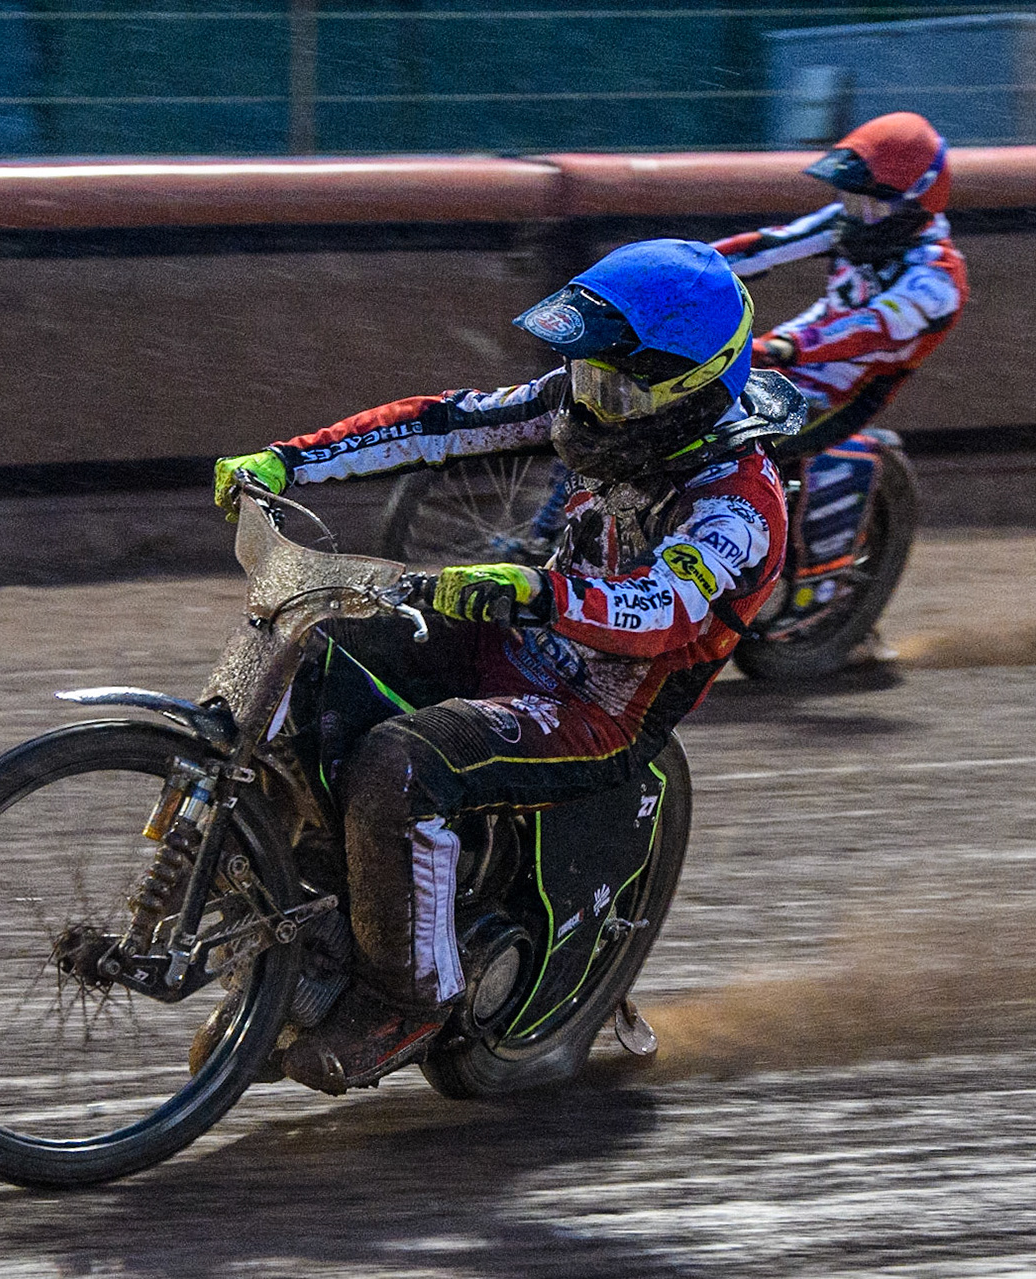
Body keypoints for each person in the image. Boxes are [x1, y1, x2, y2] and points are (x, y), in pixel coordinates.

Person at [212, 239, 802, 1094]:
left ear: (683, 387)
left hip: (600, 711)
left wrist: (535, 590)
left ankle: (409, 994)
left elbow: (660, 611)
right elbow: (447, 423)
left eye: (610, 382)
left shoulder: (740, 503)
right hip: (514, 644)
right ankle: (299, 893)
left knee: (400, 762)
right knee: (317, 641)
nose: (586, 398)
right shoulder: (597, 402)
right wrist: (290, 459)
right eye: (583, 373)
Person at [711, 111, 966, 645]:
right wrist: (677, 266)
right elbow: (767, 245)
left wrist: (788, 346)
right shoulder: (849, 223)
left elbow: (869, 328)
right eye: (851, 198)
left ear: (915, 201)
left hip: (842, 393)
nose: (855, 211)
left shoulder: (937, 277)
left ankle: (822, 597)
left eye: (869, 200)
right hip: (790, 361)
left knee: (736, 443)